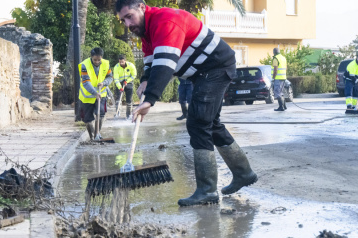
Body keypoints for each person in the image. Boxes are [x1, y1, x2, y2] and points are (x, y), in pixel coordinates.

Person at [116, 0, 257, 206]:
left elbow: (165, 64)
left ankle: (207, 191)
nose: (127, 24)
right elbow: (151, 62)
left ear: (142, 6)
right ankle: (244, 173)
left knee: (198, 123)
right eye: (123, 20)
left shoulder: (166, 21)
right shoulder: (146, 32)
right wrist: (145, 81)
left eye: (129, 16)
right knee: (211, 124)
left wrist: (151, 100)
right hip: (201, 74)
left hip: (216, 67)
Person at [79, 47, 113, 140]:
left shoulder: (106, 64)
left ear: (101, 57)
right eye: (95, 60)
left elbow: (110, 77)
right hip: (87, 96)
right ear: (91, 57)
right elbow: (86, 82)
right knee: (87, 118)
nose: (97, 61)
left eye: (99, 59)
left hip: (101, 94)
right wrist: (94, 93)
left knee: (101, 114)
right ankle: (92, 136)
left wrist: (104, 83)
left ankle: (97, 135)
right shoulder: (84, 65)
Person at [113, 54, 137, 119]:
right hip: (120, 83)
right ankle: (118, 113)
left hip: (128, 83)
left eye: (122, 62)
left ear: (125, 61)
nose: (121, 63)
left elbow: (134, 75)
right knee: (118, 99)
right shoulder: (116, 67)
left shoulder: (131, 65)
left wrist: (127, 81)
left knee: (129, 100)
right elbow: (116, 79)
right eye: (120, 62)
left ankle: (128, 115)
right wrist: (119, 87)